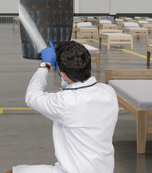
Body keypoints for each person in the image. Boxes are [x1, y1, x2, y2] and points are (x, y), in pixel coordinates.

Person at [8, 40, 119, 173]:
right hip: (105, 169)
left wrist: (45, 65)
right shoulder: (109, 92)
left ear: (63, 75)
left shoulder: (65, 102)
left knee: (15, 171)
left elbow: (32, 96)